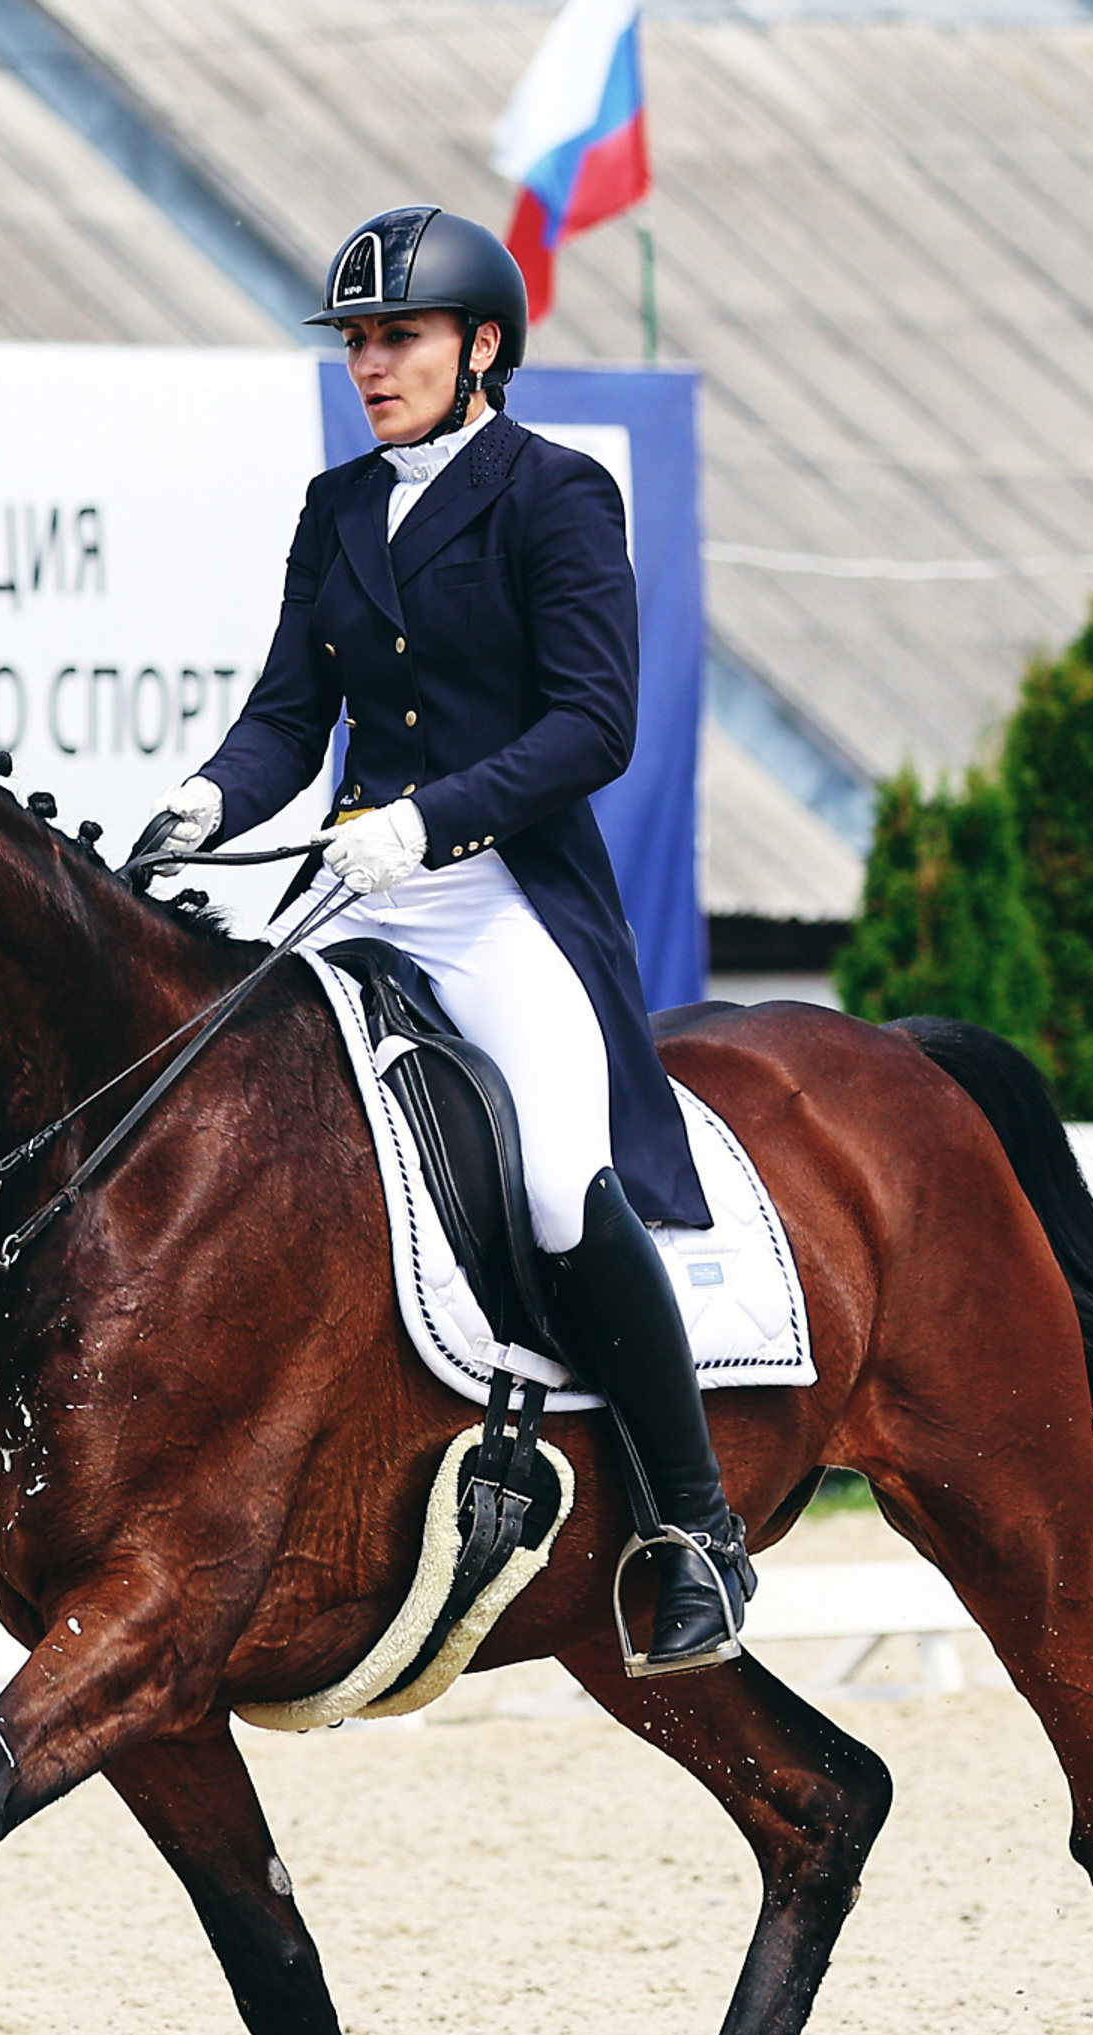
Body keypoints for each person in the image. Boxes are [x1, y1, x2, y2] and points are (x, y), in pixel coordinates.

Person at [135, 203, 751, 1674]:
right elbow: (294, 713)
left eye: (396, 336)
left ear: (482, 346)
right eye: (356, 340)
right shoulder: (338, 508)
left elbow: (596, 723)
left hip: (498, 898)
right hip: (354, 889)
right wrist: (205, 798)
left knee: (550, 1176)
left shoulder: (555, 496)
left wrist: (432, 823)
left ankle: (695, 1528)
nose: (370, 362)